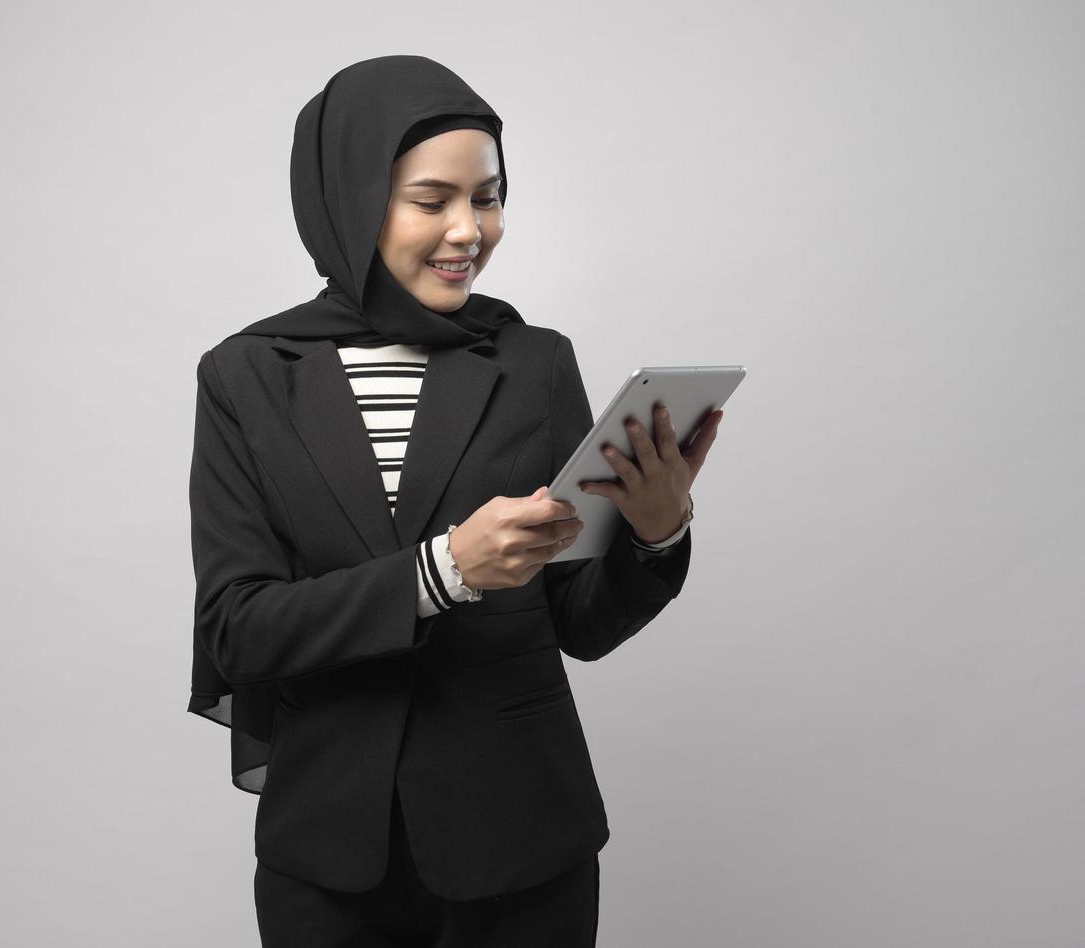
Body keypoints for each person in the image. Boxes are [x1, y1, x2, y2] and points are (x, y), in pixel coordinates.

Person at [187, 54, 724, 947]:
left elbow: (579, 623)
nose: (469, 230)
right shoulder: (246, 376)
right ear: (352, 200)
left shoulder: (534, 363)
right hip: (327, 851)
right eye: (431, 200)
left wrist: (656, 533)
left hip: (520, 835)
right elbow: (238, 629)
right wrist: (439, 574)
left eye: (488, 196)